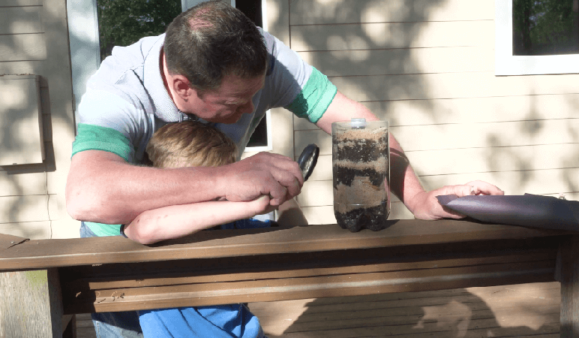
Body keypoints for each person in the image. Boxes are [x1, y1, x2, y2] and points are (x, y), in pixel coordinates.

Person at [66, 1, 503, 337]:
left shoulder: (267, 60)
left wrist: (418, 199)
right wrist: (226, 178)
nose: (253, 110)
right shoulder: (119, 91)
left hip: (212, 242)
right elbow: (87, 195)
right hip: (126, 262)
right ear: (183, 87)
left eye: (257, 94)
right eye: (235, 103)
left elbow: (358, 127)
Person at [123, 121, 274, 338]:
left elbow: (292, 233)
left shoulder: (228, 223)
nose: (220, 194)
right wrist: (249, 206)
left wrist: (286, 196)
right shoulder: (145, 222)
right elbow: (148, 227)